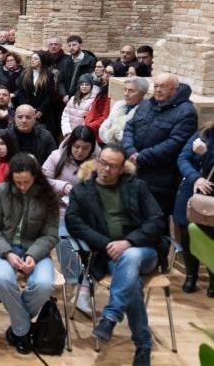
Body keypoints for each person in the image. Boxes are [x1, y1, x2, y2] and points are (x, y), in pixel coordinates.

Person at [65, 145, 165, 366]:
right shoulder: (82, 190)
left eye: (112, 166)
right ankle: (143, 346)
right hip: (108, 255)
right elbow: (74, 223)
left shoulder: (137, 187)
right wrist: (108, 243)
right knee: (133, 286)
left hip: (144, 251)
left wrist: (129, 242)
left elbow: (156, 219)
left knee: (130, 257)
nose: (105, 169)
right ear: (97, 161)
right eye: (102, 162)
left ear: (122, 169)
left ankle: (110, 317)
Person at [0, 153, 59, 354]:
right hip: (4, 248)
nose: (22, 186)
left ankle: (18, 328)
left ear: (36, 177)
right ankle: (23, 330)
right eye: (18, 182)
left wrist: (33, 255)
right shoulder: (1, 191)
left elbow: (51, 234)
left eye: (26, 182)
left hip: (35, 248)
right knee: (2, 279)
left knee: (44, 284)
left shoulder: (47, 195)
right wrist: (7, 253)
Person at [123, 73, 197, 222]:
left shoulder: (186, 111)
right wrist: (131, 152)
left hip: (160, 181)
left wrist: (140, 157)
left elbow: (175, 143)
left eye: (163, 86)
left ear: (175, 89)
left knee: (152, 223)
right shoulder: (146, 104)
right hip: (134, 172)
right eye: (156, 86)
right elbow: (129, 128)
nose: (157, 90)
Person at [42, 125, 97, 308]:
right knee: (63, 240)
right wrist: (62, 186)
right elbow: (41, 180)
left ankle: (85, 282)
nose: (80, 152)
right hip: (58, 209)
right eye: (77, 147)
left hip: (84, 212)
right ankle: (79, 282)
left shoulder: (97, 162)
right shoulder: (56, 156)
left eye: (85, 148)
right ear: (71, 144)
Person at [174, 119, 214, 296]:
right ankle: (191, 275)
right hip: (192, 191)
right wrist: (195, 177)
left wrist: (205, 154)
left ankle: (213, 280)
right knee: (187, 234)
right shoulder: (205, 132)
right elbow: (183, 158)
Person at [100, 76, 148, 146]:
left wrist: (114, 134)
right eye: (125, 89)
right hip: (110, 147)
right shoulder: (118, 105)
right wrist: (110, 139)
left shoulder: (145, 111)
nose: (126, 94)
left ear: (142, 93)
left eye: (131, 91)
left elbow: (135, 137)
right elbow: (104, 127)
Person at [60, 73, 96, 138]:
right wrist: (67, 132)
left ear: (91, 86)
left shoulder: (93, 101)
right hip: (69, 134)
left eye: (87, 84)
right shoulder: (73, 99)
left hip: (82, 135)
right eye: (82, 84)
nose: (84, 86)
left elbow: (89, 120)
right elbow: (65, 115)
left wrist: (81, 134)